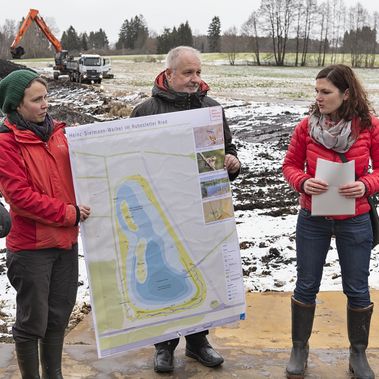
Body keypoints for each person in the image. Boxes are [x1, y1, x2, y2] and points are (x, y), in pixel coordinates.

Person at [130, 45, 241, 373]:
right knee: (165, 272)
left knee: (200, 271)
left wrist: (232, 164)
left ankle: (198, 342)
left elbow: (227, 151)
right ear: (170, 74)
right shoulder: (145, 111)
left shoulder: (212, 109)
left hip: (201, 208)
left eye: (199, 72)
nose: (196, 79)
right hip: (160, 208)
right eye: (189, 73)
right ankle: (164, 345)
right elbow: (130, 160)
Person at [282, 64, 378, 379]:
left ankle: (358, 354)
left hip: (355, 220)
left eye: (326, 92)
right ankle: (299, 347)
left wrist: (366, 185)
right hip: (313, 218)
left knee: (358, 288)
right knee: (306, 284)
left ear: (346, 93)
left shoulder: (369, 127)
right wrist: (302, 182)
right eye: (317, 91)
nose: (319, 98)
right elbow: (290, 165)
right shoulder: (305, 128)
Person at [0, 69, 91, 379]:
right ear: (16, 105)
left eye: (46, 97)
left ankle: (54, 375)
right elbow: (20, 197)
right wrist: (69, 214)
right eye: (36, 99)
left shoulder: (61, 134)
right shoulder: (6, 143)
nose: (45, 105)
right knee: (32, 322)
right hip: (31, 249)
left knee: (58, 317)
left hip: (66, 243)